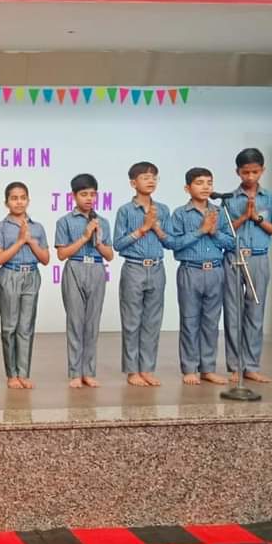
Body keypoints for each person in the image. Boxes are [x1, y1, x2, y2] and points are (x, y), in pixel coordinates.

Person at [222, 148, 272, 384]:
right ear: (237, 172)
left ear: (262, 170)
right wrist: (243, 217)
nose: (250, 176)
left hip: (259, 258)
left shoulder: (271, 198)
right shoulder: (228, 199)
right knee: (233, 312)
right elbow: (222, 232)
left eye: (255, 172)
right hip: (233, 256)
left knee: (255, 313)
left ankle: (251, 365)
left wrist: (257, 218)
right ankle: (235, 366)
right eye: (245, 172)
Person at [169, 167, 234, 385]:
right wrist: (200, 231)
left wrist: (214, 231)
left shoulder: (219, 212)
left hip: (215, 270)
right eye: (199, 183)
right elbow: (173, 243)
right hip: (191, 270)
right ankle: (189, 368)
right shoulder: (180, 214)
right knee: (190, 321)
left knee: (211, 322)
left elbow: (231, 242)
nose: (205, 187)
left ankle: (208, 368)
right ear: (187, 188)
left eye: (209, 182)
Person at [113, 162, 175, 387]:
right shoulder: (125, 211)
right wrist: (142, 229)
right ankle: (132, 371)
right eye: (145, 177)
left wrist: (156, 227)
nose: (150, 181)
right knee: (132, 322)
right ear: (133, 183)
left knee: (152, 322)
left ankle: (147, 368)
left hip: (157, 268)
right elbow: (118, 244)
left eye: (154, 177)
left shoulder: (163, 210)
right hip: (134, 268)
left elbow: (171, 242)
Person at [55, 174, 114, 388]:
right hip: (75, 267)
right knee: (75, 322)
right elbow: (62, 254)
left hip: (97, 268)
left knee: (92, 323)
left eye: (92, 194)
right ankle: (74, 372)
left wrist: (97, 241)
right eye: (84, 194)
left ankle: (88, 371)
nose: (89, 198)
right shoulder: (65, 221)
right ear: (74, 196)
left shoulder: (102, 222)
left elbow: (110, 255)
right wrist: (84, 237)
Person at [0, 181, 52, 389]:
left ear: (28, 200)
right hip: (10, 274)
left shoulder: (38, 227)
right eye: (14, 198)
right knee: (9, 326)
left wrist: (31, 241)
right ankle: (12, 374)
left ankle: (24, 373)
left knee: (26, 326)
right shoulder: (0, 228)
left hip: (32, 275)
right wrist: (19, 241)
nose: (19, 202)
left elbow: (46, 259)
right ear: (6, 202)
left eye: (23, 198)